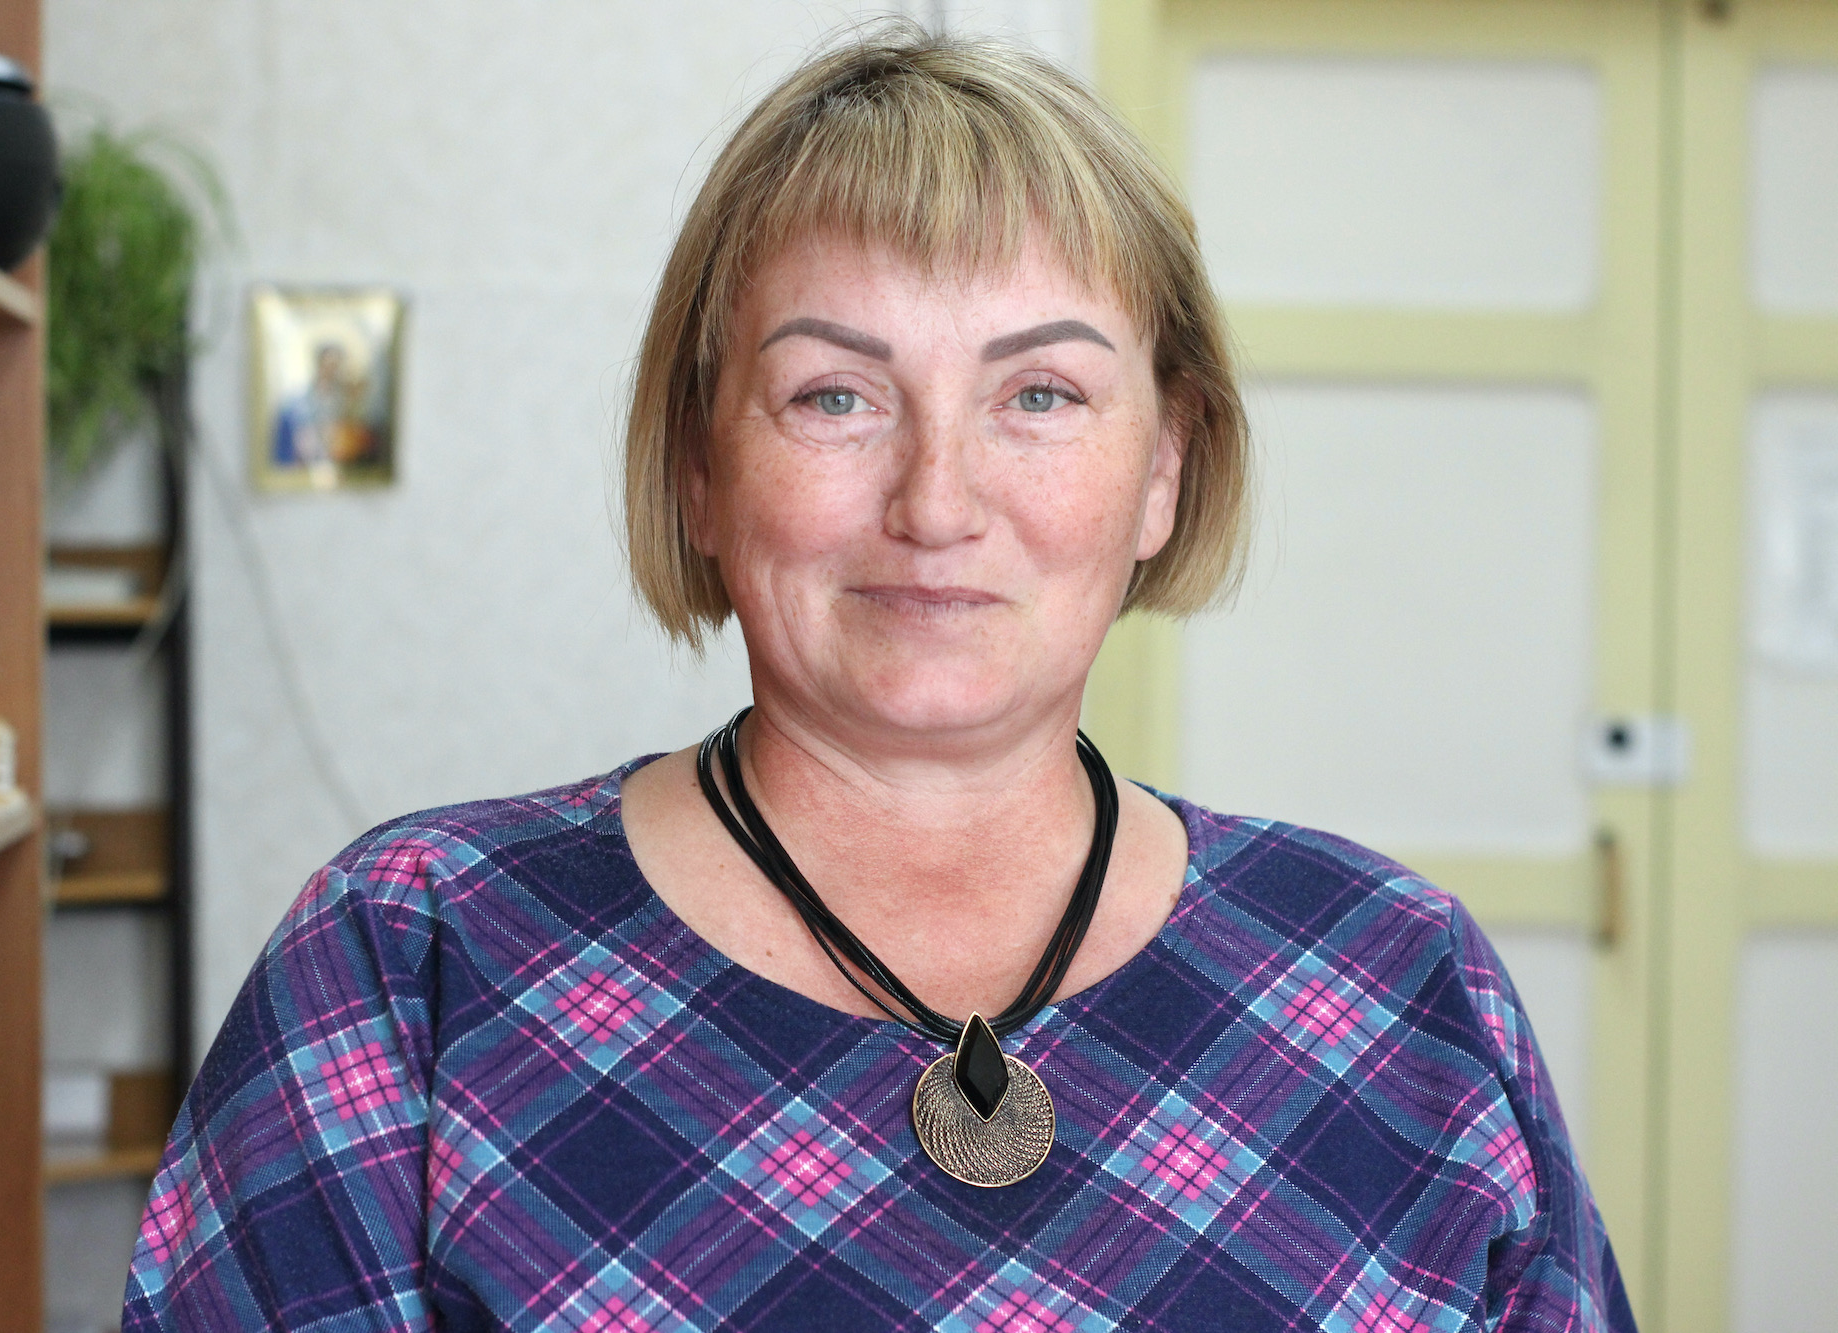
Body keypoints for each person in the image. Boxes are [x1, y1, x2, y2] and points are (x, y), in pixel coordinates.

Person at [123, 24, 1634, 1332]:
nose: (937, 501)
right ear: (701, 469)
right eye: (835, 395)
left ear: (1165, 472)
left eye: (1039, 393)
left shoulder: (1399, 988)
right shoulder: (411, 963)